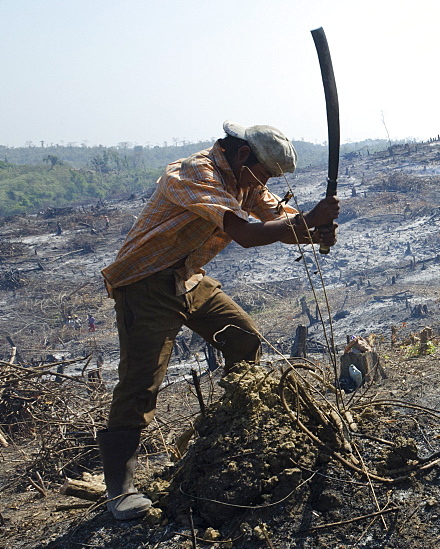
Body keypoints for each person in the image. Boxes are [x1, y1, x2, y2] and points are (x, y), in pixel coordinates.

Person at [97, 121, 340, 520]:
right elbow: (246, 234)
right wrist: (310, 218)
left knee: (243, 338)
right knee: (141, 382)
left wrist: (318, 231)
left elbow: (278, 220)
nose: (265, 183)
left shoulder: (246, 179)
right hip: (145, 283)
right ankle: (119, 491)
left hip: (187, 277)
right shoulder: (195, 172)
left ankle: (238, 424)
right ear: (243, 154)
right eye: (265, 173)